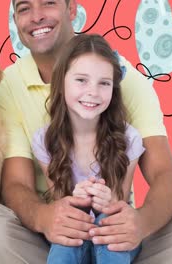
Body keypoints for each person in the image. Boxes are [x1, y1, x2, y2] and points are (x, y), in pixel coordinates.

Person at [0, 0, 172, 263]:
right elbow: (16, 185)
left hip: (116, 235)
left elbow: (163, 174)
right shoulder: (7, 89)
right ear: (14, 20)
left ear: (72, 8)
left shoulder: (127, 81)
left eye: (48, 3)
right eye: (24, 8)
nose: (36, 16)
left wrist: (140, 223)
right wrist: (44, 218)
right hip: (50, 241)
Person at [32, 34, 144, 263]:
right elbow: (59, 205)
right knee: (67, 237)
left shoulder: (129, 138)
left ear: (113, 88)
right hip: (74, 234)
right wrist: (78, 199)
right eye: (81, 80)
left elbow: (121, 202)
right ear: (61, 82)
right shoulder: (45, 139)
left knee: (109, 229)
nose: (93, 91)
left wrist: (108, 200)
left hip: (113, 234)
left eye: (104, 83)